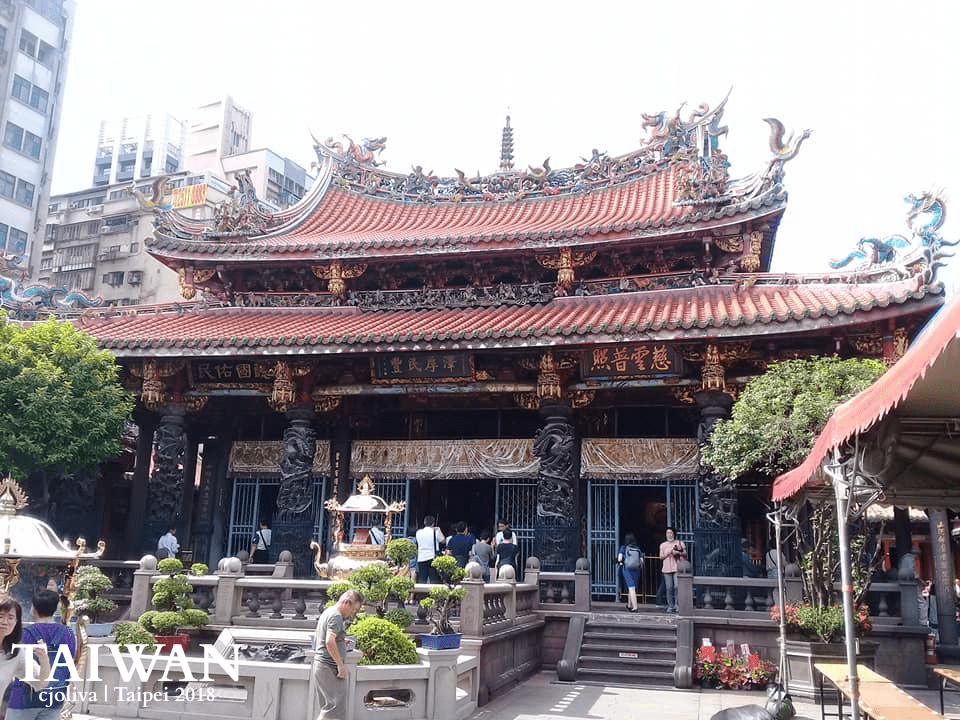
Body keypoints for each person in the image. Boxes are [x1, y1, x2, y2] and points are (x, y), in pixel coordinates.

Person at [8, 589, 77, 719]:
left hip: (23, 698)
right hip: (54, 697)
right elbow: (71, 661)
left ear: (34, 608)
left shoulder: (25, 633)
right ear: (55, 608)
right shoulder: (67, 633)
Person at [312, 589, 363, 720]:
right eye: (354, 609)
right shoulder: (336, 616)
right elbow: (329, 641)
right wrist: (340, 664)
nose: (353, 613)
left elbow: (327, 638)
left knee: (329, 708)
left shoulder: (328, 612)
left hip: (322, 666)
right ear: (346, 602)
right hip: (328, 666)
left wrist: (340, 640)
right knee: (335, 710)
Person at [0, 595, 51, 717]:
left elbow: (41, 682)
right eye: (0, 616)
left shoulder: (15, 653)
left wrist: (44, 659)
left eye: (10, 618)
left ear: (16, 623)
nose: (4, 622)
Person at [658, 527, 686, 613]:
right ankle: (670, 605)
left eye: (671, 533)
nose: (669, 535)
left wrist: (678, 552)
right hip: (667, 569)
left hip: (677, 567)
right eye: (667, 533)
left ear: (674, 533)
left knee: (677, 586)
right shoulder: (663, 545)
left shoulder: (679, 543)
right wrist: (669, 552)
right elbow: (661, 557)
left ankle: (677, 605)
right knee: (669, 588)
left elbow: (685, 553)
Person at [415, 516, 445, 584]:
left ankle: (421, 594)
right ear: (433, 523)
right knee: (434, 579)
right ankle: (433, 594)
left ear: (424, 523)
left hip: (421, 558)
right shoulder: (436, 532)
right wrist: (439, 530)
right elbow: (443, 541)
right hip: (432, 558)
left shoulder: (418, 532)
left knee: (422, 579)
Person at [618, 533, 643, 612]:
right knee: (632, 587)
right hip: (636, 570)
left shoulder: (624, 548)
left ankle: (635, 607)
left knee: (631, 589)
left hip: (627, 569)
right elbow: (641, 561)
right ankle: (629, 605)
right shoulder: (638, 548)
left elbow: (619, 559)